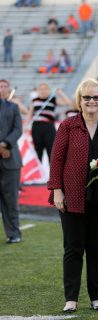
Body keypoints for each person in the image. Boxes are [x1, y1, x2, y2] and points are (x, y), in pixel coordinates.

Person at [48, 79, 98, 313]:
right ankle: (71, 298)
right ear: (79, 100)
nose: (91, 101)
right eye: (87, 97)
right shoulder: (68, 125)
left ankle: (96, 297)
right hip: (72, 194)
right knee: (73, 248)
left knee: (97, 249)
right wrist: (57, 189)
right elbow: (57, 159)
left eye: (96, 98)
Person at [0, 79, 22, 244]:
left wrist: (5, 144)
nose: (2, 89)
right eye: (0, 86)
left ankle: (14, 233)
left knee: (10, 200)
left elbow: (18, 129)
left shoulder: (13, 108)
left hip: (10, 160)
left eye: (5, 86)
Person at [29, 83, 71, 163]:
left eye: (45, 89)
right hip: (36, 127)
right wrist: (25, 126)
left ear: (49, 90)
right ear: (38, 91)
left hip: (49, 127)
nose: (43, 91)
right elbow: (30, 113)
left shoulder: (53, 99)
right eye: (41, 89)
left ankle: (53, 173)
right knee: (38, 151)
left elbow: (67, 102)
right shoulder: (34, 101)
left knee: (51, 151)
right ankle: (39, 173)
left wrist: (60, 92)